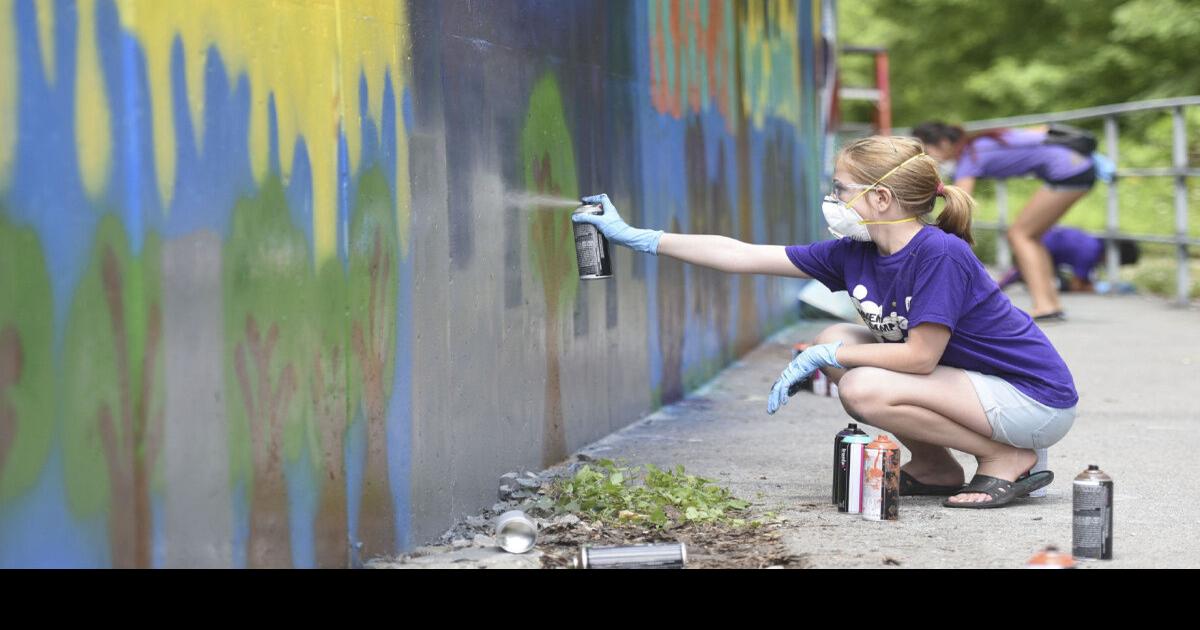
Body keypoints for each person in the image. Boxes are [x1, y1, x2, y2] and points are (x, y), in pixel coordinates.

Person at [573, 136, 1078, 508]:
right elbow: (741, 254)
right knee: (835, 334)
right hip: (972, 389)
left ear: (880, 199)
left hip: (1031, 400)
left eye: (841, 189)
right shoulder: (853, 252)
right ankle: (935, 466)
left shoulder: (938, 254)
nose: (833, 201)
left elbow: (920, 358)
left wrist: (828, 359)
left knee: (860, 386)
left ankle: (1006, 459)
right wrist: (640, 237)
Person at [913, 121, 1099, 321]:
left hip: (1068, 172)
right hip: (1080, 166)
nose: (928, 159)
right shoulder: (985, 140)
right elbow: (1041, 130)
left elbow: (960, 201)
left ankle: (1045, 306)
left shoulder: (970, 155)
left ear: (943, 143)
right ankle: (1051, 303)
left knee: (1019, 234)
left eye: (927, 151)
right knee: (1031, 236)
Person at [997, 226, 1141, 293]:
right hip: (1035, 252)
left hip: (1041, 245)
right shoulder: (1090, 253)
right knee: (1061, 285)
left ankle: (1015, 279)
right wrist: (1100, 288)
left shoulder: (1091, 243)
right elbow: (1077, 286)